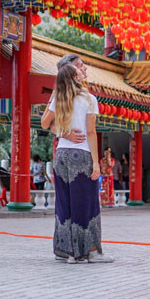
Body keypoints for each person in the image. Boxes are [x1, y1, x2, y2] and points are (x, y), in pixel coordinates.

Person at [41, 63, 113, 264]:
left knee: (65, 204)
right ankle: (89, 251)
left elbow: (45, 123)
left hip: (61, 154)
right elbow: (91, 133)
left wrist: (65, 134)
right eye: (79, 70)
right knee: (86, 203)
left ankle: (69, 253)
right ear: (76, 77)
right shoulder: (89, 99)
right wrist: (96, 163)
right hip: (81, 156)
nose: (83, 71)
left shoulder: (58, 98)